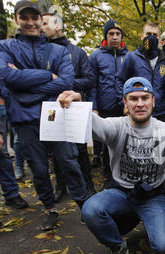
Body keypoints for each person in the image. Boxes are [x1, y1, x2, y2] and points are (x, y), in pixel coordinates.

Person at [57, 77, 165, 254]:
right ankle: (117, 246)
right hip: (121, 193)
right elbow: (96, 124)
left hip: (152, 196)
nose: (139, 103)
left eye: (145, 98)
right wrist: (79, 106)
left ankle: (147, 215)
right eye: (133, 98)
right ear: (125, 103)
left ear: (153, 101)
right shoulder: (116, 126)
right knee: (90, 209)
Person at [0, 0, 88, 230]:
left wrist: (24, 85)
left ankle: (84, 206)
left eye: (34, 18)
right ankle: (50, 208)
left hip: (55, 114)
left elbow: (67, 81)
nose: (30, 22)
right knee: (38, 168)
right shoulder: (5, 47)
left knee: (68, 162)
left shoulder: (58, 50)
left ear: (40, 20)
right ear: (17, 19)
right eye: (24, 18)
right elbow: (7, 78)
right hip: (24, 119)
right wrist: (49, 76)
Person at [42, 13, 96, 202]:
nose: (40, 26)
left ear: (57, 26)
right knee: (55, 149)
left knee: (80, 149)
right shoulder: (41, 52)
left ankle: (88, 185)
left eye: (45, 23)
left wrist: (65, 82)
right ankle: (61, 186)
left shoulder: (78, 52)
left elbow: (90, 80)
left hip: (74, 108)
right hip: (51, 107)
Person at [89, 19, 128, 188]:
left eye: (117, 34)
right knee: (107, 145)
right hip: (104, 108)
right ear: (106, 36)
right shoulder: (96, 55)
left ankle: (124, 174)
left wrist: (128, 104)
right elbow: (93, 84)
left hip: (123, 108)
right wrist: (95, 107)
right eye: (111, 34)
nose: (114, 37)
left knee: (123, 143)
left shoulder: (129, 56)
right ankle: (108, 176)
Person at [117, 22, 165, 125]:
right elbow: (120, 81)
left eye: (155, 35)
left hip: (161, 113)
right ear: (142, 36)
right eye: (148, 34)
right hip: (138, 111)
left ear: (159, 39)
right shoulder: (131, 57)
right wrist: (124, 104)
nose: (151, 38)